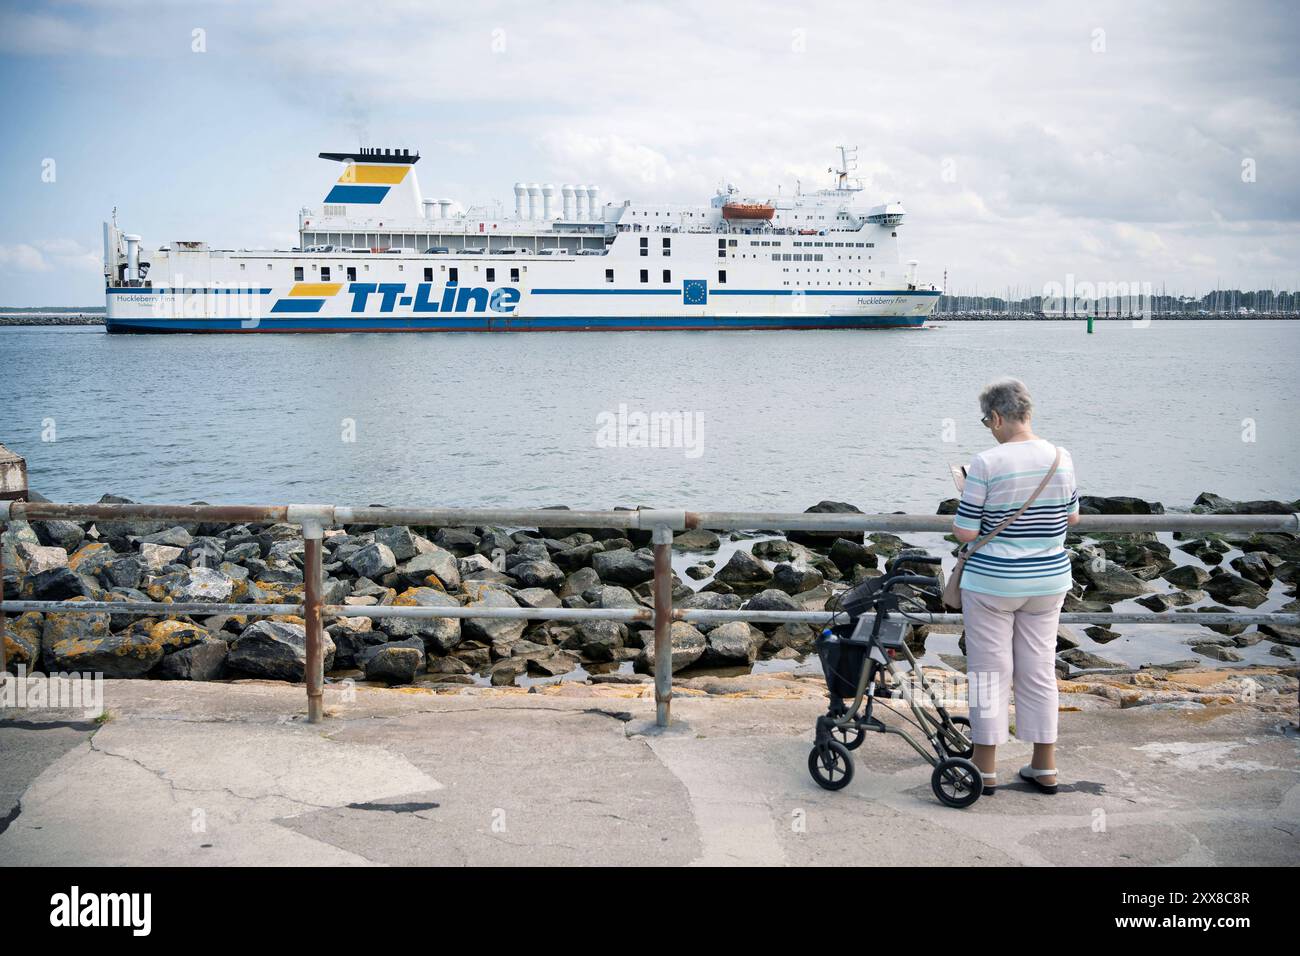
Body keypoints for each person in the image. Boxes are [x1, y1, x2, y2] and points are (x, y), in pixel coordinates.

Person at [951, 378, 1079, 795]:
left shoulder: (986, 463)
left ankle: (984, 769)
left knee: (990, 672)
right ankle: (1045, 766)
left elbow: (966, 532)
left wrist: (968, 495)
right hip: (1048, 581)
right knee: (1039, 669)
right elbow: (1071, 518)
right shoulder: (1062, 457)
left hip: (993, 583)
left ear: (999, 417)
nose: (989, 427)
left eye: (987, 420)